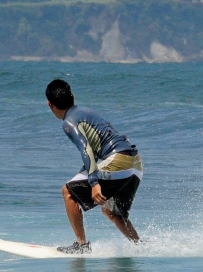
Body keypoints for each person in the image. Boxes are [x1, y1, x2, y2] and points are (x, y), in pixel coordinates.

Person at [45, 79, 143, 254]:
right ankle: (141, 247)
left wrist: (94, 182)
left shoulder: (69, 122)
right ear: (72, 96)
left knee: (67, 191)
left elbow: (86, 150)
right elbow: (98, 152)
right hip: (135, 163)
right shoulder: (85, 111)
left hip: (118, 160)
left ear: (50, 104)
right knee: (112, 212)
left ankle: (82, 246)